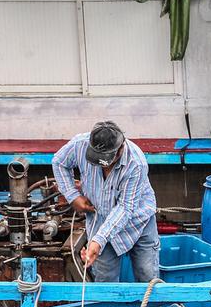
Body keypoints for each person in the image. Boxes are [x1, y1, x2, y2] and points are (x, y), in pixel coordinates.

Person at [51, 121, 160, 282]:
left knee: (147, 276)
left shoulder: (136, 163)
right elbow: (59, 162)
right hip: (99, 220)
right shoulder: (79, 144)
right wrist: (72, 195)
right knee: (104, 280)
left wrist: (98, 240)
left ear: (120, 148)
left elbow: (125, 208)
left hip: (138, 222)